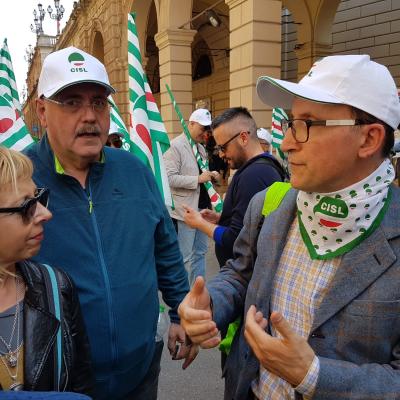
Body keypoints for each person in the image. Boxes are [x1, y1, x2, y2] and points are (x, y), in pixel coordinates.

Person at [178, 54, 400, 399]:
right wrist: (210, 306)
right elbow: (241, 273)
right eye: (292, 121)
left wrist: (313, 376)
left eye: (307, 124)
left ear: (369, 139)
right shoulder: (273, 204)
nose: (286, 143)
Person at [25, 46, 195, 400]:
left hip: (140, 372)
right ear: (42, 110)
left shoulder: (134, 170)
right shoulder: (19, 181)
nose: (89, 116)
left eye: (99, 102)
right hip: (60, 383)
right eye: (71, 102)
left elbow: (164, 248)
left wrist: (180, 314)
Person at [0, 147, 93, 394]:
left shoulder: (56, 286)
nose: (46, 213)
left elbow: (80, 383)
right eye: (26, 206)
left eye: (39, 198)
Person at [183, 107, 285, 267]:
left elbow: (235, 238)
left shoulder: (253, 175)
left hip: (241, 276)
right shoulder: (261, 169)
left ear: (243, 138)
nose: (221, 154)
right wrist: (221, 219)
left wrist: (199, 223)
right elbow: (251, 222)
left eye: (223, 147)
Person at [164, 108, 219, 286]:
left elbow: (201, 175)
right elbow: (169, 178)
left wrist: (211, 175)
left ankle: (198, 289)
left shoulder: (201, 148)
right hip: (186, 210)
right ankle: (183, 294)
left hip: (203, 208)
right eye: (202, 128)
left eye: (207, 129)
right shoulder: (175, 146)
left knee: (201, 252)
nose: (205, 132)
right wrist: (198, 179)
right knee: (185, 256)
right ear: (191, 124)